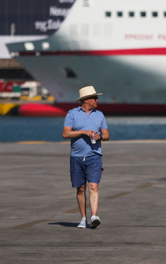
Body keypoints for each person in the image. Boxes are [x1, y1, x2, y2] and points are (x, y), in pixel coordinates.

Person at [62, 86, 110, 229]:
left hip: (94, 156)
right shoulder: (72, 114)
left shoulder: (100, 115)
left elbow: (107, 136)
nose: (97, 100)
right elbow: (65, 134)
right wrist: (84, 132)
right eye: (94, 98)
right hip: (76, 156)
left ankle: (94, 216)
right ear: (85, 100)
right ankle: (83, 218)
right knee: (80, 189)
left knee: (93, 186)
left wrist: (99, 136)